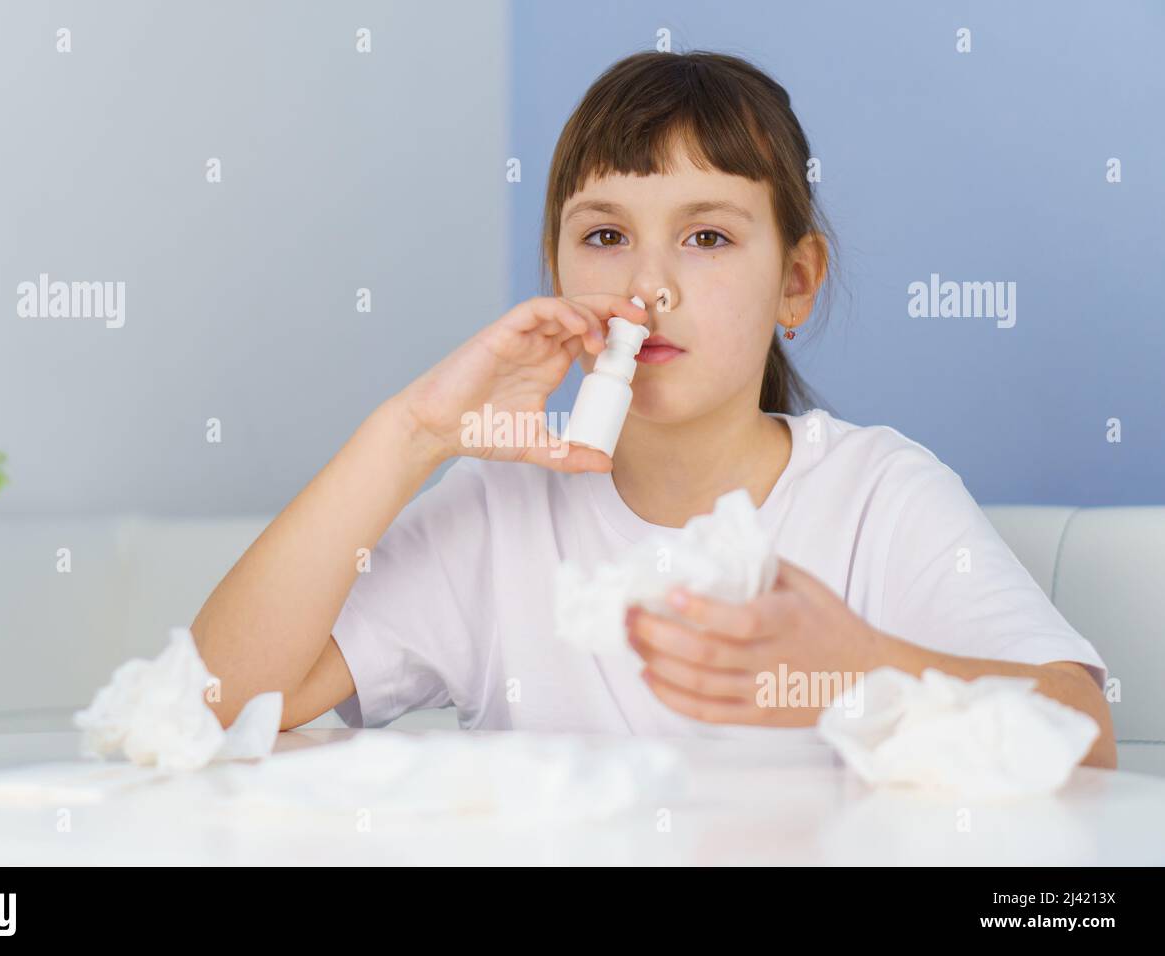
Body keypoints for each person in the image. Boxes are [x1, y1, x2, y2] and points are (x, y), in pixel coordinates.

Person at [191, 51, 1114, 767]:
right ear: (556, 274)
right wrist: (412, 435)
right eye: (604, 236)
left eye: (706, 236)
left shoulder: (878, 497)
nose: (648, 285)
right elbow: (208, 706)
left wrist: (863, 664)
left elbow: (1082, 735)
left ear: (796, 283)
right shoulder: (492, 513)